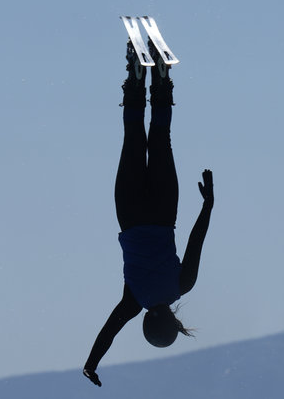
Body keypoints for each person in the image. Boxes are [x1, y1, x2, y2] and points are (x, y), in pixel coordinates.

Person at [82, 39, 214, 387]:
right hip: (129, 211)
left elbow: (196, 239)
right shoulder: (133, 299)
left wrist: (208, 204)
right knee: (132, 137)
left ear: (172, 319)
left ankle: (164, 80)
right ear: (145, 323)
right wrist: (90, 364)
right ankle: (135, 75)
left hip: (162, 208)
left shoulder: (181, 286)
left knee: (160, 137)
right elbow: (107, 332)